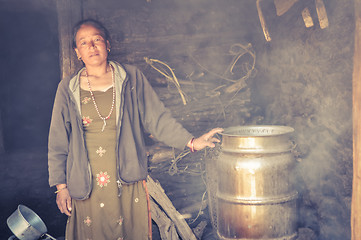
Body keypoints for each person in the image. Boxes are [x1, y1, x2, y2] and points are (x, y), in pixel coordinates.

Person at [48, 19, 223, 240]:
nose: (91, 46)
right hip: (86, 181)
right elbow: (57, 140)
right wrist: (61, 186)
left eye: (97, 39)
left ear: (108, 44)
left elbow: (156, 118)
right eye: (84, 43)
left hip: (127, 178)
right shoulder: (67, 88)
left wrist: (191, 142)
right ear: (77, 52)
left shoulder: (131, 78)